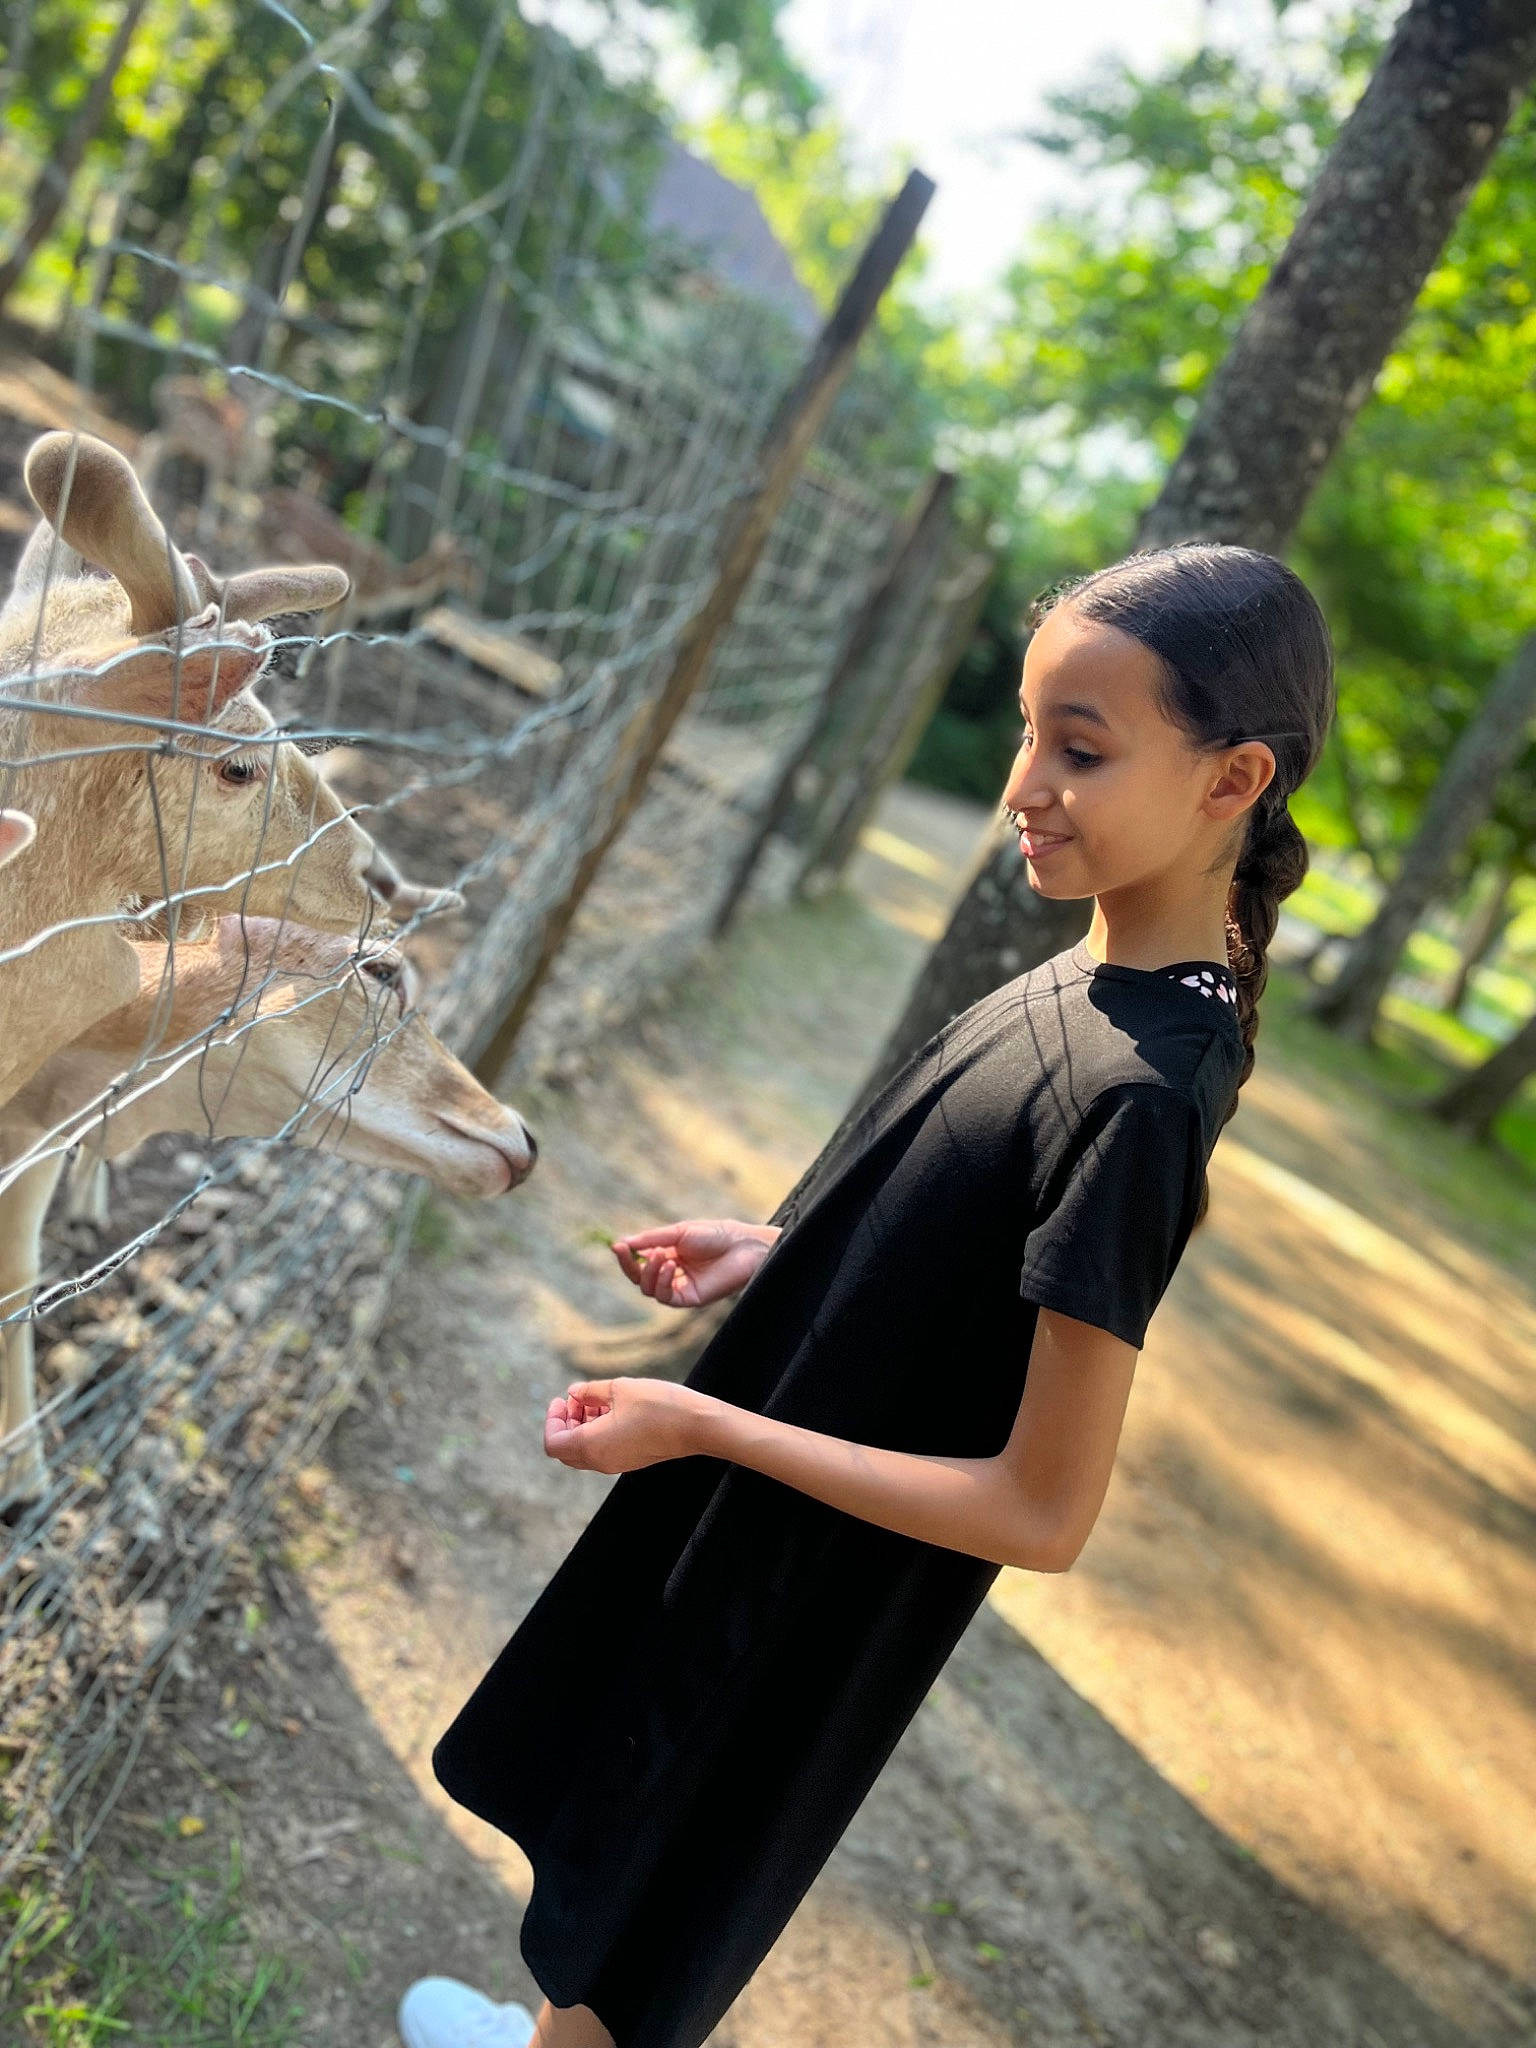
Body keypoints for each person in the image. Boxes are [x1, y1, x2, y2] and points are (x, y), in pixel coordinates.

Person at [397, 541, 1335, 2048]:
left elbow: (1043, 1509)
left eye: (1080, 750)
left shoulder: (1146, 1099)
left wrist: (711, 1427)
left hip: (811, 1592)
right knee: (619, 1862)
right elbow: (966, 1277)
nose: (1025, 781)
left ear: (1233, 783)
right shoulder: (1099, 972)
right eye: (1029, 728)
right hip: (770, 1515)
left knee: (661, 1884)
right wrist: (785, 1255)